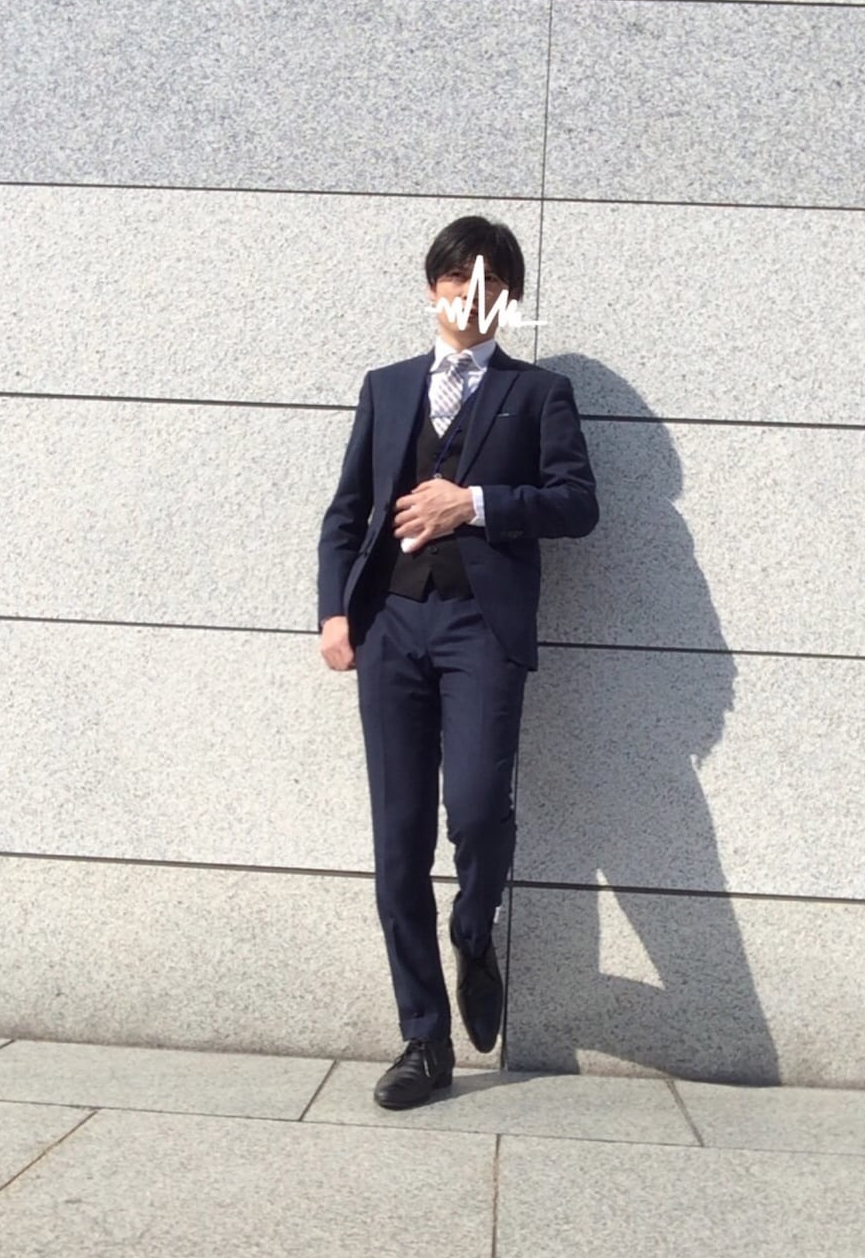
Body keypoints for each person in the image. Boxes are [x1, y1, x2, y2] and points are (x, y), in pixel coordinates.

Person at [317, 214, 599, 1108]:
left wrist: (472, 503)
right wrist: (334, 611)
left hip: (482, 627)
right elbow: (348, 511)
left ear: (507, 301)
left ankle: (473, 930)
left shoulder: (539, 393)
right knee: (397, 841)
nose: (470, 301)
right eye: (456, 282)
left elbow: (577, 505)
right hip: (391, 625)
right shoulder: (387, 386)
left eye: (490, 288)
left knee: (476, 809)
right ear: (433, 287)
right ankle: (424, 1039)